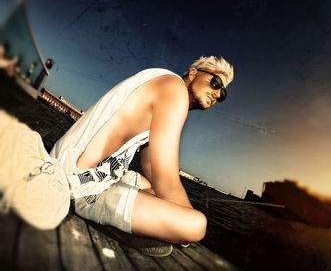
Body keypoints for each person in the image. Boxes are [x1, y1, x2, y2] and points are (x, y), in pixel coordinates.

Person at [50, 56, 234, 256]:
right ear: (193, 73)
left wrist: (162, 199)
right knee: (196, 225)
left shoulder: (163, 82)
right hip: (80, 184)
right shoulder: (175, 90)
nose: (217, 93)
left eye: (222, 93)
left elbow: (151, 167)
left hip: (76, 164)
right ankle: (121, 224)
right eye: (215, 83)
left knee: (150, 186)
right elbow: (167, 179)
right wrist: (181, 227)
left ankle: (132, 220)